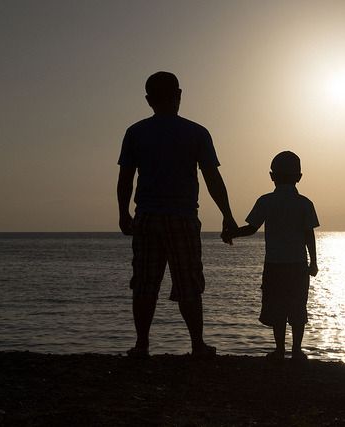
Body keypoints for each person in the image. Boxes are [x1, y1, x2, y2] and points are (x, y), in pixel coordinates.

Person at [116, 71, 237, 358]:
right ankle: (197, 344)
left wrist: (123, 213)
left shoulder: (136, 132)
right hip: (182, 217)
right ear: (179, 94)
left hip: (147, 216)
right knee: (189, 283)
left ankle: (142, 345)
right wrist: (227, 215)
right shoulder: (196, 132)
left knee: (145, 283)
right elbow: (212, 178)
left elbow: (125, 179)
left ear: (148, 100)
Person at [226, 151, 319, 361]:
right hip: (297, 265)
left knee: (277, 306)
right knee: (297, 306)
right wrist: (314, 261)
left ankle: (279, 350)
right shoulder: (305, 203)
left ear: (272, 176)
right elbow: (309, 235)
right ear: (299, 176)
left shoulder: (266, 201)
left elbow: (251, 228)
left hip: (274, 265)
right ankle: (296, 350)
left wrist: (232, 232)